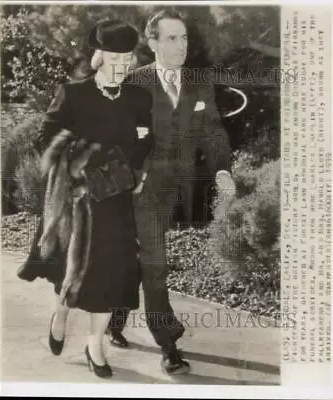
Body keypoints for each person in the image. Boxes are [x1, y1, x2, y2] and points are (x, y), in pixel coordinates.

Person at [17, 18, 154, 379]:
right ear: (99, 56)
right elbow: (46, 136)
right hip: (74, 200)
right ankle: (61, 312)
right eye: (115, 58)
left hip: (114, 197)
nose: (123, 66)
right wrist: (84, 160)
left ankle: (96, 345)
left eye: (128, 59)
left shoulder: (139, 97)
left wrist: (129, 172)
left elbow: (144, 139)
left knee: (109, 274)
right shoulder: (74, 93)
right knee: (70, 270)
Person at [107, 9, 236, 375]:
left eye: (184, 38)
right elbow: (119, 139)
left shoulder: (198, 82)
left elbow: (212, 132)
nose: (181, 45)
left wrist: (222, 169)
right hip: (134, 188)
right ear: (153, 43)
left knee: (143, 258)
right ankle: (167, 343)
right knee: (154, 262)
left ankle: (116, 317)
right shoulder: (133, 84)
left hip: (170, 189)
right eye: (172, 38)